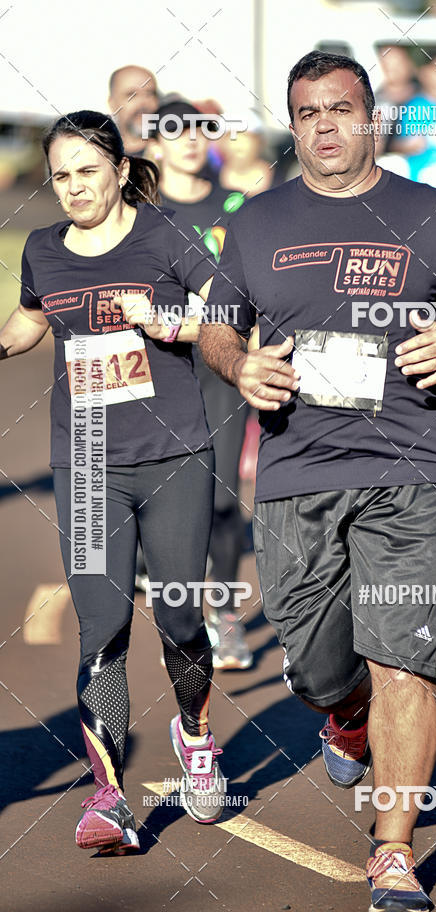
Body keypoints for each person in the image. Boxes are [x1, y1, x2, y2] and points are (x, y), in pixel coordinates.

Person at [198, 51, 436, 912]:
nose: (326, 125)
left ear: (372, 118)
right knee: (316, 657)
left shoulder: (433, 214)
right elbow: (220, 327)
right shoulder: (256, 221)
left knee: (404, 659)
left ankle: (395, 850)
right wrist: (240, 365)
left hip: (413, 468)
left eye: (342, 108)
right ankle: (341, 709)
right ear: (293, 125)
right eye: (308, 112)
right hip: (298, 467)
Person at [0, 111, 226, 854]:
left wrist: (162, 319)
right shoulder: (43, 249)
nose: (72, 188)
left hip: (173, 455)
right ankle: (109, 798)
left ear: (120, 171)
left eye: (86, 171)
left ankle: (195, 734)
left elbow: (227, 316)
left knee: (181, 620)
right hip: (88, 461)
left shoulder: (165, 237)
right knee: (103, 630)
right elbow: (29, 322)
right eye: (60, 175)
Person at [147, 99, 253, 669]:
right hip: (159, 369)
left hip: (218, 366)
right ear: (153, 145)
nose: (189, 140)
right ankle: (178, 614)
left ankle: (225, 614)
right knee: (166, 497)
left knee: (225, 495)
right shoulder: (140, 211)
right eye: (175, 132)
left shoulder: (233, 206)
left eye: (198, 131)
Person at [390, 51, 436, 190]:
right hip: (420, 180)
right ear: (426, 74)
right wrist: (409, 145)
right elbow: (396, 144)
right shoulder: (411, 106)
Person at [108, 65, 159, 156]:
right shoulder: (99, 156)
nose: (143, 103)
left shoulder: (176, 154)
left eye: (150, 94)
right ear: (112, 103)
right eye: (131, 95)